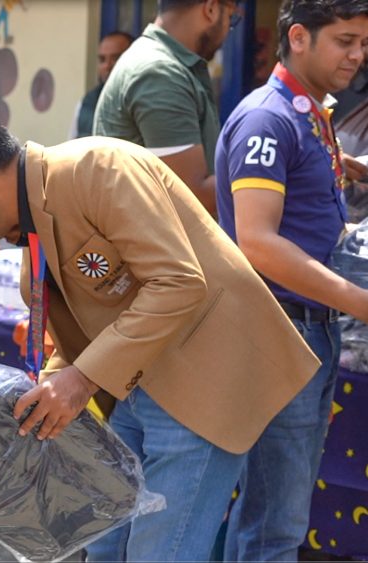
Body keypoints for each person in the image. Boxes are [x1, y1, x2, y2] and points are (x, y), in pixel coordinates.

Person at [0, 106, 320, 562]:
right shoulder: (32, 222)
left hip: (203, 377)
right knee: (103, 547)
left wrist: (78, 379)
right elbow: (87, 329)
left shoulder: (97, 168)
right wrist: (41, 389)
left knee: (162, 552)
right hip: (138, 387)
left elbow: (178, 282)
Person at [214, 1, 368, 560]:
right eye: (346, 40)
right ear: (299, 37)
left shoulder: (307, 114)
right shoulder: (269, 118)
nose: (358, 54)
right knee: (272, 525)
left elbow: (308, 225)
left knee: (277, 516)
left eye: (362, 42)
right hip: (282, 332)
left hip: (311, 332)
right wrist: (359, 300)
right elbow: (256, 241)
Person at [94, 0, 242, 215]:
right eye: (231, 18)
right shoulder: (160, 73)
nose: (228, 30)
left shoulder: (164, 65)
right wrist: (270, 177)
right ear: (210, 9)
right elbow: (191, 199)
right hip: (146, 245)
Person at [71, 32, 133, 138]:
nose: (107, 66)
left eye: (115, 58)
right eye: (102, 59)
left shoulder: (143, 101)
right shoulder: (86, 103)